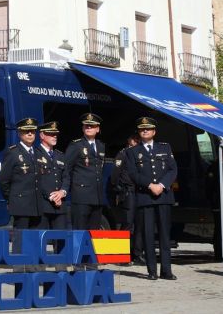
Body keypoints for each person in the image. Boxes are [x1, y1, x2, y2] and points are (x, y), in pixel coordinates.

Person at [125, 117, 177, 281]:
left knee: (164, 234)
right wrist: (149, 185)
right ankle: (152, 270)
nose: (145, 131)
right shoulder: (132, 152)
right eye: (142, 129)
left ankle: (166, 270)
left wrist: (161, 185)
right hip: (145, 197)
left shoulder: (165, 147)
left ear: (154, 131)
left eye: (148, 129)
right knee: (147, 235)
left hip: (163, 196)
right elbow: (133, 173)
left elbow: (173, 169)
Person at [63, 113, 106, 229]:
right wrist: (67, 188)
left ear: (97, 129)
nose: (89, 128)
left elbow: (100, 169)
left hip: (97, 196)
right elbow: (66, 168)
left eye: (91, 126)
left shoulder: (101, 146)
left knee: (94, 233)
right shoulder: (76, 145)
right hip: (81, 196)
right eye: (86, 126)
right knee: (80, 232)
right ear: (82, 128)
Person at [0, 118, 41, 230]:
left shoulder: (38, 152)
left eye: (32, 131)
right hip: (20, 204)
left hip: (37, 204)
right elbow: (4, 179)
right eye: (27, 131)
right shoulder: (13, 152)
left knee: (34, 240)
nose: (30, 134)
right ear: (19, 133)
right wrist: (11, 199)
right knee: (21, 239)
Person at [112, 134, 142, 263]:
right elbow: (114, 175)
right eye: (135, 142)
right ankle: (121, 255)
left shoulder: (139, 154)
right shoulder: (123, 154)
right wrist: (119, 189)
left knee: (139, 224)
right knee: (127, 223)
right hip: (128, 192)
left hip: (139, 192)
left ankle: (137, 254)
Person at [36, 122, 69, 230]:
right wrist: (51, 196)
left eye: (56, 134)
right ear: (42, 135)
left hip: (60, 204)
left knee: (61, 239)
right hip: (43, 204)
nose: (54, 136)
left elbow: (66, 177)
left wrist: (62, 192)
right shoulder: (35, 154)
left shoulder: (60, 155)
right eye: (51, 133)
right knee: (41, 239)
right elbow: (36, 179)